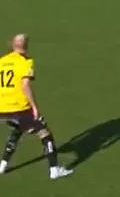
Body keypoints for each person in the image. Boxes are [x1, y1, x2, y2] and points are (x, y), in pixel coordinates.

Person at [0, 34, 73, 180]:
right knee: (45, 134)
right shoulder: (26, 61)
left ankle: (2, 165)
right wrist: (34, 107)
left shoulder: (2, 61)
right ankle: (54, 170)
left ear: (12, 45)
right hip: (19, 108)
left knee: (19, 128)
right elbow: (25, 85)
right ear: (26, 46)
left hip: (2, 109)